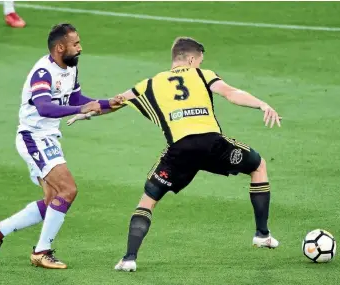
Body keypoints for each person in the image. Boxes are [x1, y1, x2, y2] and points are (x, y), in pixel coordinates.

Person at [68, 36, 282, 272]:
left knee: (147, 201)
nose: (199, 65)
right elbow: (231, 93)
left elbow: (113, 102)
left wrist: (84, 112)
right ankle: (262, 234)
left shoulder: (150, 84)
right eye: (199, 61)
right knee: (258, 165)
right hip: (212, 145)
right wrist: (261, 104)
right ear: (191, 59)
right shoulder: (202, 75)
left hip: (179, 152)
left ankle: (129, 258)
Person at [0, 23, 123, 269]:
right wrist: (81, 109)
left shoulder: (69, 69)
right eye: (75, 44)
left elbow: (77, 99)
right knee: (68, 190)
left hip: (48, 137)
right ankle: (41, 251)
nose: (80, 48)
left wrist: (107, 103)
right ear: (60, 47)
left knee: (52, 200)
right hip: (33, 137)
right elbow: (44, 107)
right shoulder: (43, 72)